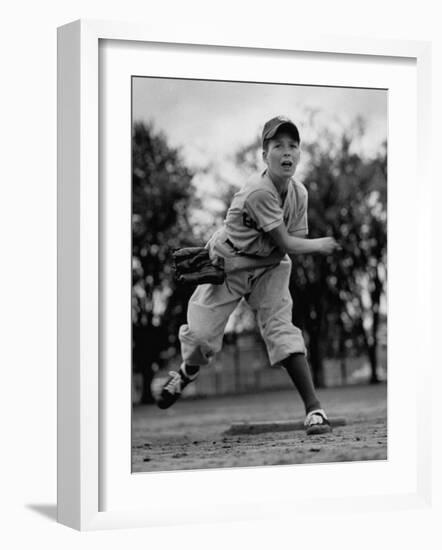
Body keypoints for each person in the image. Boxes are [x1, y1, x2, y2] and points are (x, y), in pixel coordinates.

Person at [157, 115, 339, 435]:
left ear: (299, 153)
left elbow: (285, 249)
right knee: (200, 338)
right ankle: (187, 372)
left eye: (293, 145)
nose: (287, 151)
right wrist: (319, 245)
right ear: (264, 155)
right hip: (226, 264)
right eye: (277, 145)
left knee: (281, 329)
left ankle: (314, 409)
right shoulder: (258, 192)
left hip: (269, 267)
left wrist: (296, 248)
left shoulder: (299, 194)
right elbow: (287, 242)